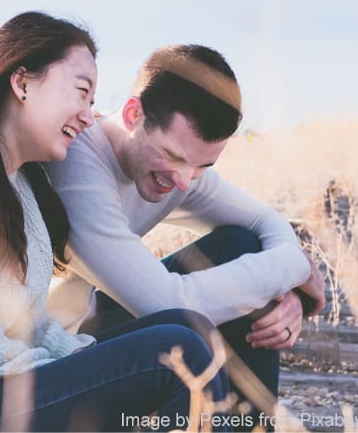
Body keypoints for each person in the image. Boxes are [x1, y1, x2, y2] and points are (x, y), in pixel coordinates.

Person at [0, 14, 230, 432]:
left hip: (2, 390)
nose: (89, 117)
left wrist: (75, 357)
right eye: (80, 93)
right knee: (176, 351)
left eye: (93, 103)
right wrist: (59, 368)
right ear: (22, 83)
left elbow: (26, 322)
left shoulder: (19, 184)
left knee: (188, 325)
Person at [43, 44, 326, 430]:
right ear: (132, 114)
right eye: (173, 156)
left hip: (90, 324)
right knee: (192, 326)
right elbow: (165, 302)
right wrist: (291, 269)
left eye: (202, 165)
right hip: (49, 358)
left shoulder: (182, 171)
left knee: (241, 244)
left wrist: (286, 291)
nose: (183, 180)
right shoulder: (77, 163)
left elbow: (265, 221)